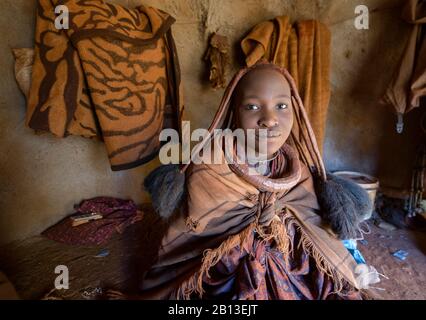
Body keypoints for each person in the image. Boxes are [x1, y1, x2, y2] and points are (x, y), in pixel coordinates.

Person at [117, 62, 372, 300]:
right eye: (252, 106)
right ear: (234, 113)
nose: (269, 119)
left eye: (281, 106)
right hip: (224, 268)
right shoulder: (210, 167)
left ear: (295, 110)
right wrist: (252, 241)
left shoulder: (299, 171)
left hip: (291, 263)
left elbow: (315, 228)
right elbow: (195, 234)